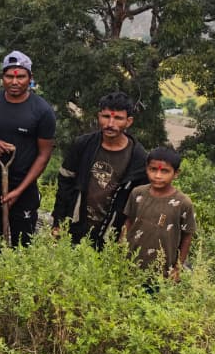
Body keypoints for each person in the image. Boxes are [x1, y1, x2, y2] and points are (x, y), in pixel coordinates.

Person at [0, 50, 56, 246]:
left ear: (30, 78)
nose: (14, 81)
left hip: (23, 186)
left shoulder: (42, 111)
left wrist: (19, 191)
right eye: (9, 76)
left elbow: (44, 155)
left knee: (23, 243)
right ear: (2, 77)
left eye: (20, 76)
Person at [51, 91, 148, 249]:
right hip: (75, 225)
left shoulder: (138, 158)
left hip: (110, 234)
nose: (110, 123)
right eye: (106, 117)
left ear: (129, 121)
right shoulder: (83, 145)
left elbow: (138, 203)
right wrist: (58, 221)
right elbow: (65, 184)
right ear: (99, 116)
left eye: (118, 118)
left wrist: (125, 235)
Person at [121, 147, 197, 286]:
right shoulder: (137, 193)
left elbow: (187, 236)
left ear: (176, 173)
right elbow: (129, 221)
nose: (157, 175)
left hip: (162, 271)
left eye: (164, 171)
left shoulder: (183, 203)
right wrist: (120, 247)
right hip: (129, 264)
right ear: (146, 168)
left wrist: (178, 268)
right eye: (153, 169)